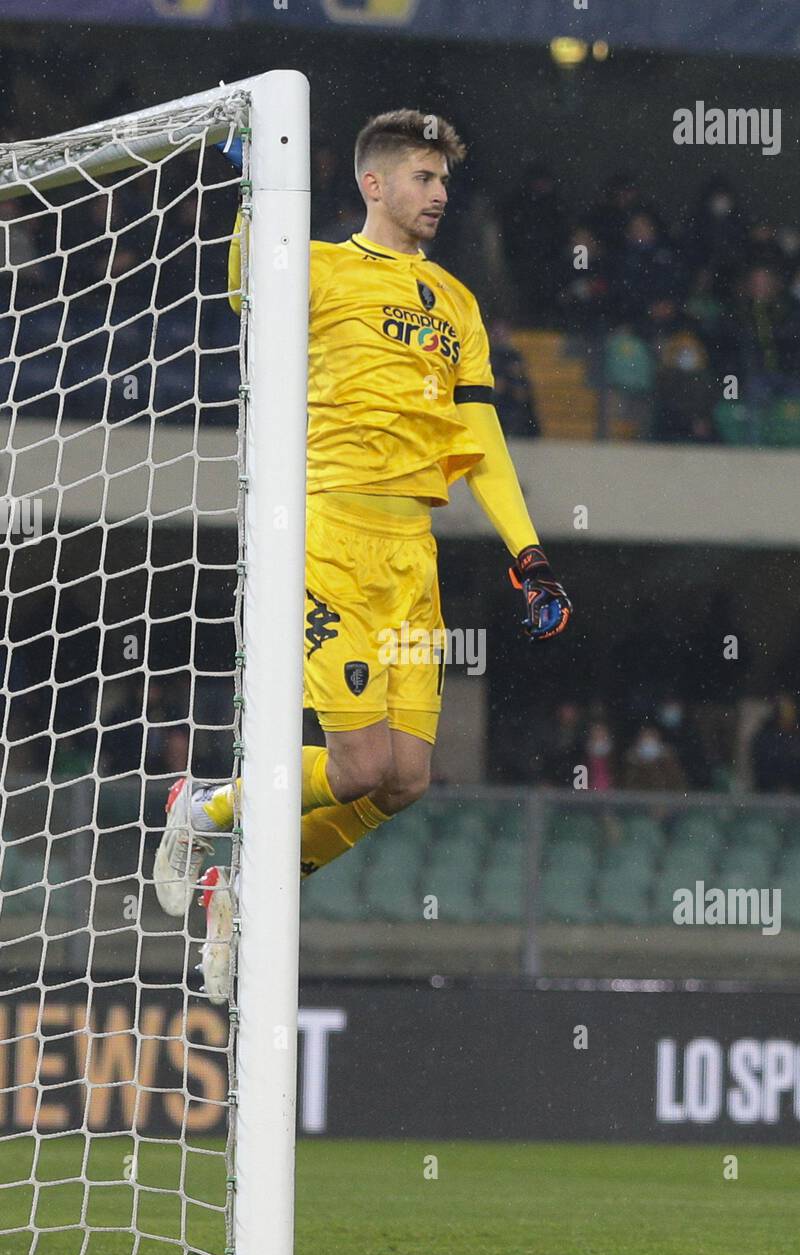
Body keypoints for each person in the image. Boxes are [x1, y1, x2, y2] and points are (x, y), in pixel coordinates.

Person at [154, 110, 571, 999]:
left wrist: (529, 554)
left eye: (446, 182)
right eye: (423, 179)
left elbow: (483, 437)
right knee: (357, 767)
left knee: (405, 780)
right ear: (373, 184)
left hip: (410, 556)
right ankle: (203, 807)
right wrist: (248, 202)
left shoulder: (458, 302)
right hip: (327, 539)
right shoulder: (319, 264)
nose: (440, 195)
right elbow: (242, 293)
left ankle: (245, 887)